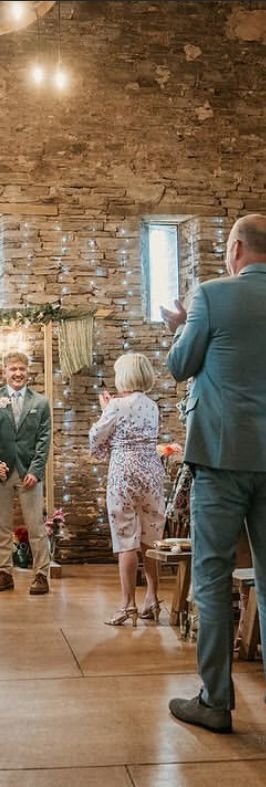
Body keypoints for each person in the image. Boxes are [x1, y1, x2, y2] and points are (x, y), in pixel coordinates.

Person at [162, 213, 266, 735]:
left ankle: (216, 700)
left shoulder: (212, 294)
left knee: (212, 575)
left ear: (235, 249)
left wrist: (180, 326)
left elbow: (181, 365)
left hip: (223, 456)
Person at [89, 353, 165, 626]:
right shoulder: (153, 406)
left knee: (125, 538)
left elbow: (97, 437)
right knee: (151, 537)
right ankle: (153, 599)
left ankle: (127, 605)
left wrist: (106, 410)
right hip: (152, 472)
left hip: (124, 474)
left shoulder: (117, 405)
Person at [0, 351, 51, 596]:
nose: (18, 373)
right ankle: (5, 572)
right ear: (4, 373)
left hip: (28, 472)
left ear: (28, 372)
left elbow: (43, 439)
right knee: (2, 526)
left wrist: (36, 469)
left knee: (36, 526)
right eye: (13, 369)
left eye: (22, 369)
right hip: (0, 472)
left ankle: (41, 574)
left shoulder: (40, 402)